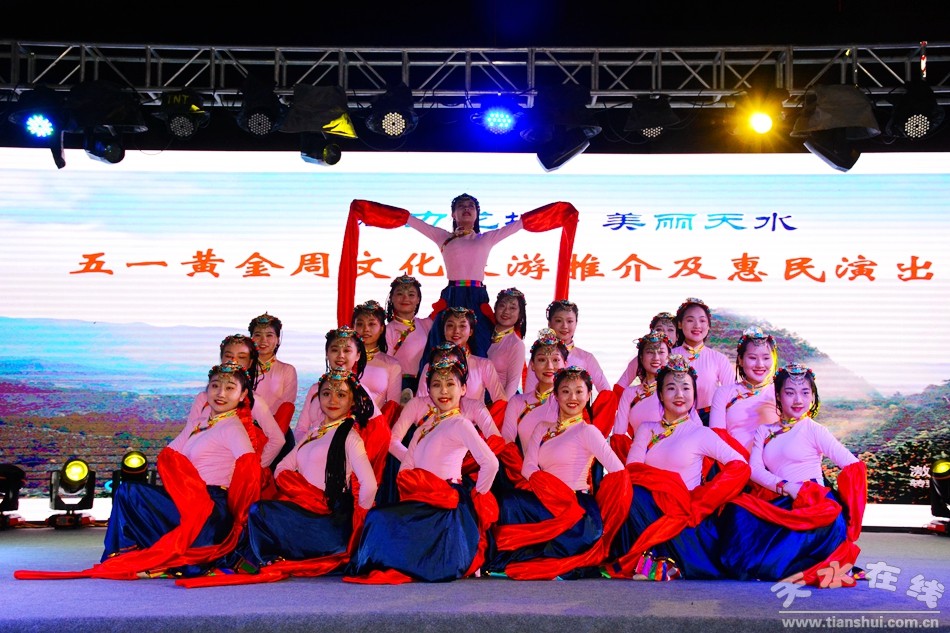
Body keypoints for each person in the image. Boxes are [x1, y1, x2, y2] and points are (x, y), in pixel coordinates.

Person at [14, 363, 265, 583]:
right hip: (189, 499)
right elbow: (170, 454)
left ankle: (133, 555)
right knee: (129, 493)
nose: (221, 393)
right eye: (215, 386)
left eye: (230, 388)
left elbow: (249, 474)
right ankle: (124, 555)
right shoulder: (200, 423)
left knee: (130, 492)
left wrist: (239, 524)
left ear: (243, 394)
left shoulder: (233, 428)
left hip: (210, 507)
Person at [216, 368, 379, 582]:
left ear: (352, 402)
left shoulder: (350, 437)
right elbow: (282, 467)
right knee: (259, 511)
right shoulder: (314, 433)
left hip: (328, 521)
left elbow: (370, 485)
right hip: (306, 512)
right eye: (326, 393)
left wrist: (359, 527)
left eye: (341, 395)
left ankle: (262, 560)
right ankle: (261, 559)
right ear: (318, 398)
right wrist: (303, 491)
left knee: (260, 511)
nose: (332, 400)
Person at [346, 358, 499, 583]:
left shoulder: (461, 424)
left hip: (446, 503)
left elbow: (491, 463)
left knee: (380, 518)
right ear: (428, 390)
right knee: (378, 517)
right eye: (437, 385)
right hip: (421, 498)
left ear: (463, 389)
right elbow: (406, 469)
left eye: (450, 384)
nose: (443, 391)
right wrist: (419, 482)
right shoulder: (423, 428)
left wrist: (478, 495)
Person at [717, 363, 867, 586]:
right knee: (736, 510)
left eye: (805, 393)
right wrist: (785, 486)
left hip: (813, 502)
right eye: (790, 393)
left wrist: (848, 511)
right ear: (778, 395)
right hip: (780, 497)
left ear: (812, 396)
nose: (798, 400)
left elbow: (852, 465)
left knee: (802, 536)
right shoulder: (765, 431)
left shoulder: (814, 429)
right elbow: (755, 470)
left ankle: (818, 559)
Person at [606, 354, 750, 581]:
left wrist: (702, 500)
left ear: (695, 394)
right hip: (650, 504)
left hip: (683, 511)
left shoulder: (701, 433)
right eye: (671, 388)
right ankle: (655, 560)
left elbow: (740, 466)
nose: (679, 395)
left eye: (686, 388)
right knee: (627, 489)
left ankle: (658, 561)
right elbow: (633, 469)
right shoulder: (646, 429)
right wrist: (666, 485)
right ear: (660, 394)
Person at [486, 366, 630, 580]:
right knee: (509, 502)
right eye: (565, 391)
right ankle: (508, 560)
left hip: (575, 505)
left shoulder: (587, 431)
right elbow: (528, 467)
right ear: (555, 395)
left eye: (579, 392)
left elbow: (618, 470)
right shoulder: (542, 428)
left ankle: (551, 556)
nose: (573, 398)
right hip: (546, 498)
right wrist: (550, 489)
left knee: (575, 531)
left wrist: (606, 510)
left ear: (588, 395)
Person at [184, 334, 283, 469]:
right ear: (221, 358)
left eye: (241, 357)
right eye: (229, 356)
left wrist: (255, 468)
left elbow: (277, 440)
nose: (234, 361)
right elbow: (188, 436)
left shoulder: (254, 401)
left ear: (250, 363)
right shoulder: (203, 398)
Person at [709, 326, 780, 455]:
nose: (760, 364)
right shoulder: (724, 393)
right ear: (741, 360)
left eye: (766, 358)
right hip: (733, 461)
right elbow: (717, 437)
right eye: (752, 358)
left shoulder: (781, 392)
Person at [416, 307, 506, 407]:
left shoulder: (484, 365)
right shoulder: (431, 367)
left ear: (471, 331)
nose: (456, 331)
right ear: (444, 330)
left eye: (462, 326)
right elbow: (421, 404)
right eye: (450, 325)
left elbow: (500, 400)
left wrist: (484, 416)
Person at [524, 300, 610, 396]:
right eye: (558, 321)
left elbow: (607, 392)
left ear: (576, 323)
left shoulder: (586, 358)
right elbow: (528, 395)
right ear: (549, 324)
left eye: (569, 321)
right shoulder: (540, 356)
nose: (564, 326)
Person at [501, 328, 568, 451]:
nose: (549, 366)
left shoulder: (571, 402)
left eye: (555, 360)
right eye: (542, 360)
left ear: (565, 364)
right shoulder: (517, 402)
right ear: (532, 365)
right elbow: (507, 442)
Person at [610, 330, 673, 462]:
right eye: (650, 352)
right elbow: (618, 435)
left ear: (668, 357)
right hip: (638, 459)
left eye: (661, 352)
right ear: (641, 358)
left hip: (670, 457)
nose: (656, 357)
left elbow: (692, 429)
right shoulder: (629, 393)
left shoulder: (675, 391)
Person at [671, 297, 733, 425]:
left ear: (708, 326)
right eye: (690, 320)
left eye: (702, 320)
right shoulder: (669, 356)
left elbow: (730, 396)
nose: (697, 326)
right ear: (680, 324)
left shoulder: (719, 359)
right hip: (675, 418)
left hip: (710, 419)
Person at [249, 313, 298, 466]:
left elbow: (286, 407)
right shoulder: (243, 370)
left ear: (278, 340)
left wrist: (272, 439)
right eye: (258, 335)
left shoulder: (287, 370)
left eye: (269, 335)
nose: (263, 340)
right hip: (245, 434)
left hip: (278, 433)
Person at [383, 275, 433, 395]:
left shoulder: (428, 324)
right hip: (399, 385)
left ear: (418, 299)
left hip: (427, 384)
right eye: (400, 294)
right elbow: (387, 364)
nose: (405, 298)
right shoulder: (387, 330)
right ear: (392, 298)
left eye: (411, 295)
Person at [353, 300, 402, 409]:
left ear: (382, 329)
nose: (366, 329)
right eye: (360, 324)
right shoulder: (345, 360)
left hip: (378, 419)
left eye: (371, 324)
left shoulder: (392, 365)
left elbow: (392, 406)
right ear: (353, 327)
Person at [615, 312, 676, 388]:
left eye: (670, 330)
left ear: (677, 335)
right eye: (659, 329)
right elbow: (620, 386)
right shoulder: (642, 359)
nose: (664, 333)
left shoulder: (686, 355)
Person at [487, 288, 528, 399]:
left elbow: (512, 385)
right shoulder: (483, 333)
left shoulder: (516, 344)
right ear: (495, 308)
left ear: (520, 314)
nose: (506, 311)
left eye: (512, 308)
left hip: (496, 401)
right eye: (502, 306)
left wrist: (501, 407)